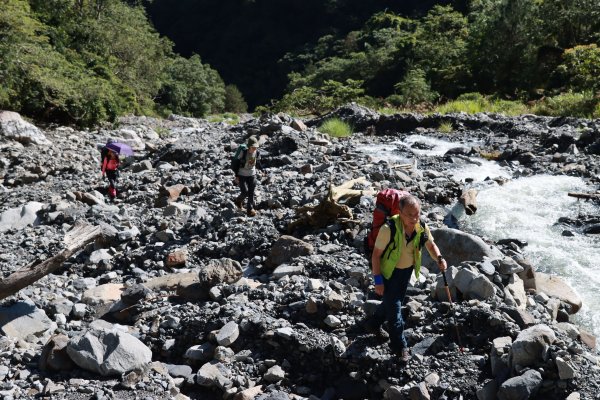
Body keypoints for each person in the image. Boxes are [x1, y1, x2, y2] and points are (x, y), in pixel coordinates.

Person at [368, 194, 447, 362]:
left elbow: (431, 245)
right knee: (395, 310)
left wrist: (439, 258)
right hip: (388, 273)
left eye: (417, 213)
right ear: (400, 212)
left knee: (391, 302)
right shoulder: (388, 228)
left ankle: (373, 324)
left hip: (406, 272)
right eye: (410, 215)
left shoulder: (421, 226)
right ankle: (400, 347)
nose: (414, 218)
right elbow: (375, 256)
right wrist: (378, 281)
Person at [231, 135, 261, 216]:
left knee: (251, 192)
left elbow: (257, 162)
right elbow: (236, 163)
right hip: (242, 175)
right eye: (253, 147)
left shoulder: (257, 152)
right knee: (245, 192)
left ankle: (249, 210)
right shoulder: (243, 152)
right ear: (249, 147)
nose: (255, 149)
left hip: (252, 174)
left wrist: (262, 170)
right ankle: (238, 201)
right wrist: (236, 175)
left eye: (256, 147)